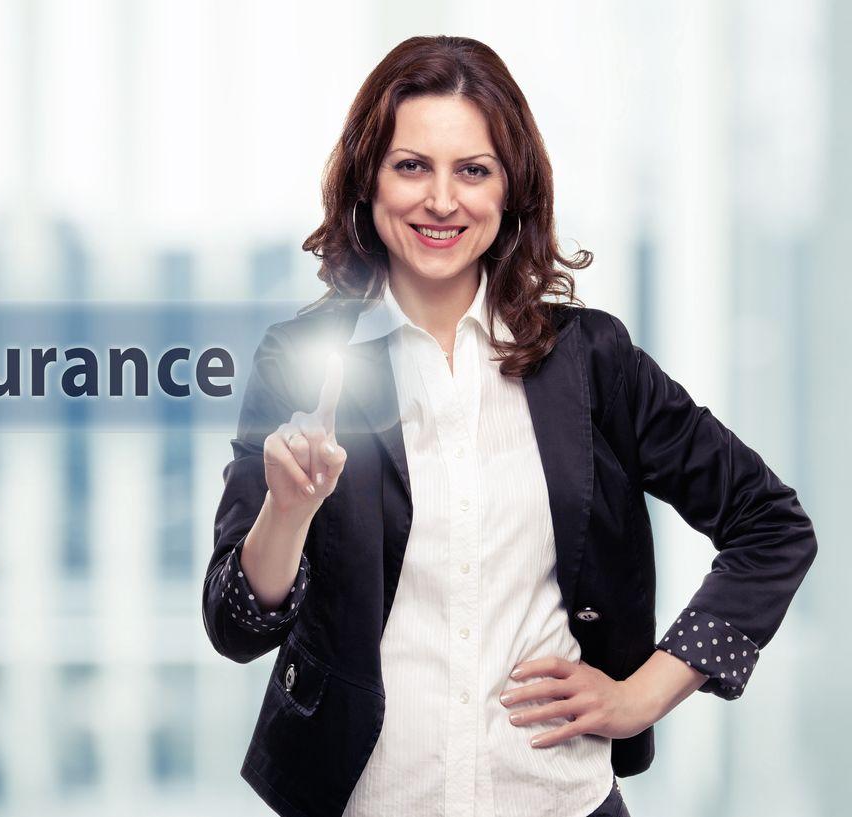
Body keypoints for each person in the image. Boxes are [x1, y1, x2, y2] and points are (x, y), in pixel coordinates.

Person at [201, 35, 817, 817]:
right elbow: (234, 624)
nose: (442, 200)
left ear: (511, 188)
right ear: (369, 182)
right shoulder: (303, 360)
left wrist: (643, 695)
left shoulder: (591, 360)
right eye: (411, 165)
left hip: (563, 800)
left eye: (473, 170)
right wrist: (286, 512)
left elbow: (772, 524)